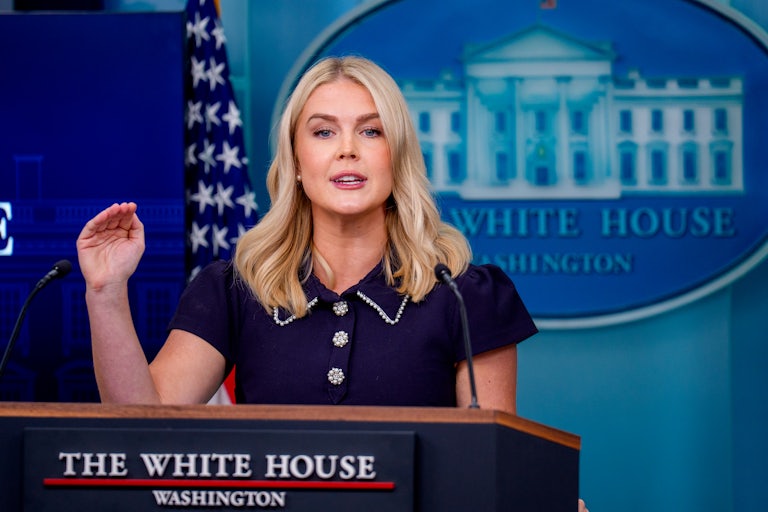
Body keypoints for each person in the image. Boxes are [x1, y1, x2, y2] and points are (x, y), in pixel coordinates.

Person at [76, 56, 536, 411]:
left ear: (397, 157)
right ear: (296, 163)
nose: (348, 150)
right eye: (323, 133)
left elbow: (493, 465)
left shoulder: (467, 295)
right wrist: (105, 290)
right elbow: (143, 423)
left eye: (371, 131)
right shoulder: (234, 289)